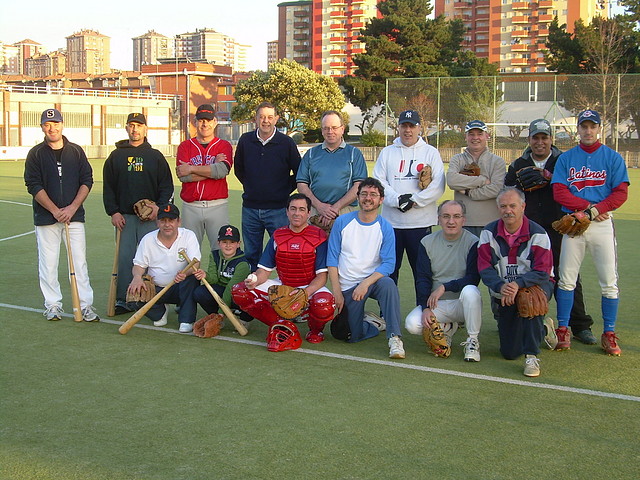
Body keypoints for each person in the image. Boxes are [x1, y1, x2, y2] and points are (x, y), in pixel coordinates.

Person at [505, 118, 593, 345]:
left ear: (551, 139)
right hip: (530, 231)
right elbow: (508, 191)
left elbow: (576, 187)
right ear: (530, 139)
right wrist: (517, 188)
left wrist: (550, 178)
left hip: (560, 228)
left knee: (569, 275)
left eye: (544, 137)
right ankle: (520, 319)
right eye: (536, 137)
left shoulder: (563, 160)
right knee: (527, 275)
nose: (540, 142)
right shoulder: (518, 164)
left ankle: (580, 325)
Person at [551, 109, 629, 355]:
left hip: (602, 225)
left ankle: (609, 332)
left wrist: (595, 212)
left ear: (598, 128)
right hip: (574, 222)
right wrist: (588, 209)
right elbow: (559, 192)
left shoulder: (612, 157)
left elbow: (620, 193)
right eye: (583, 126)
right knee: (566, 279)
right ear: (578, 129)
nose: (587, 130)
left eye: (592, 126)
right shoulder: (566, 158)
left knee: (609, 282)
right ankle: (563, 329)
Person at [232, 193, 335, 348]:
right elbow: (264, 271)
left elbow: (322, 277)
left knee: (324, 305)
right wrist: (254, 279)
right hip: (284, 285)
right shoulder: (278, 235)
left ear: (308, 213)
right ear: (286, 211)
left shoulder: (319, 236)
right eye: (293, 209)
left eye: (301, 209)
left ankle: (315, 329)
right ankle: (281, 324)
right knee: (240, 291)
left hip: (310, 287)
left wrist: (304, 294)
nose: (297, 213)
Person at [24, 108, 98, 322]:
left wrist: (72, 208)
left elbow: (87, 180)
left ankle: (85, 305)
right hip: (47, 218)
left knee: (79, 262)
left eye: (55, 123)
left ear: (62, 124)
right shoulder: (36, 153)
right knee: (48, 263)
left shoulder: (75, 151)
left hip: (74, 217)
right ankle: (53, 305)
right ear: (42, 128)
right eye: (47, 125)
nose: (51, 128)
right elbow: (33, 184)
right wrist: (55, 210)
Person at [478, 187, 554, 377]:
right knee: (510, 352)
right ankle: (543, 328)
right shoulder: (488, 232)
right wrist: (501, 286)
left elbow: (543, 271)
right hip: (504, 289)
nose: (508, 210)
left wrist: (517, 285)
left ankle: (532, 357)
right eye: (503, 206)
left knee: (529, 301)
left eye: (513, 205)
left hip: (534, 287)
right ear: (498, 208)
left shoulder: (538, 234)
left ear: (523, 207)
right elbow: (484, 267)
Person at [103, 112, 174, 315]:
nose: (135, 129)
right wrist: (114, 212)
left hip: (150, 218)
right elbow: (108, 187)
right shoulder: (116, 156)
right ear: (126, 128)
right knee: (125, 258)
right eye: (131, 125)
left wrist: (158, 209)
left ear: (145, 129)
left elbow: (166, 186)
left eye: (139, 125)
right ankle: (125, 298)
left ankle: (150, 296)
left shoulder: (155, 156)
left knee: (151, 257)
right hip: (124, 217)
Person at [327, 177, 406, 359]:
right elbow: (332, 258)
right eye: (364, 194)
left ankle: (394, 338)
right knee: (348, 335)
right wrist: (337, 292)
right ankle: (371, 323)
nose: (368, 198)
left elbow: (389, 263)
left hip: (372, 281)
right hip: (348, 285)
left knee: (388, 284)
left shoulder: (385, 227)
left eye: (373, 194)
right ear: (358, 197)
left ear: (381, 200)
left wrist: (366, 283)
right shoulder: (342, 222)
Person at [373, 110, 445, 301]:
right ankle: (385, 313)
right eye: (404, 126)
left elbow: (438, 185)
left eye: (412, 126)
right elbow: (378, 182)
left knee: (421, 273)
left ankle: (425, 312)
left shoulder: (430, 152)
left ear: (419, 128)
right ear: (398, 127)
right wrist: (397, 200)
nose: (407, 130)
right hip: (392, 225)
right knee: (389, 271)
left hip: (420, 224)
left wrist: (414, 201)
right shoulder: (387, 152)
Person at [405, 200, 482, 361]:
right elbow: (422, 278)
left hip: (462, 303)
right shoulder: (427, 242)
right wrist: (425, 307)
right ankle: (448, 326)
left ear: (463, 220)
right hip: (437, 304)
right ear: (438, 219)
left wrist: (444, 287)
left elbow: (473, 278)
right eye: (446, 216)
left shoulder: (473, 242)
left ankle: (472, 340)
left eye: (456, 216)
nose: (451, 221)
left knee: (471, 291)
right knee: (412, 324)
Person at [234, 102, 301, 270]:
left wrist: (282, 190)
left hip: (278, 210)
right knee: (251, 255)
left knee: (283, 252)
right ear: (255, 119)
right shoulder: (245, 140)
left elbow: (299, 173)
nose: (266, 121)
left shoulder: (286, 143)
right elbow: (239, 170)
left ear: (276, 119)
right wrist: (252, 186)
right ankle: (254, 293)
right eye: (262, 117)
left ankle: (284, 293)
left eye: (270, 117)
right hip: (250, 209)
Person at [128, 203, 201, 333]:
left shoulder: (188, 236)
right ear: (157, 223)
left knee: (192, 278)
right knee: (135, 293)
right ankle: (160, 311)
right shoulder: (148, 239)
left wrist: (185, 273)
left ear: (179, 221)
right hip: (156, 289)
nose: (167, 225)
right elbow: (139, 265)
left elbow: (195, 264)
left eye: (171, 220)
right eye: (163, 221)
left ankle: (186, 319)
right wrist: (137, 277)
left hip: (180, 287)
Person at [296, 110, 367, 229]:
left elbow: (359, 186)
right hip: (315, 211)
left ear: (342, 129)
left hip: (345, 211)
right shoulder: (311, 154)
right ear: (322, 130)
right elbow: (301, 184)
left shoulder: (354, 154)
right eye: (326, 128)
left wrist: (335, 208)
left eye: (334, 127)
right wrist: (320, 207)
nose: (330, 132)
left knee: (343, 247)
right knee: (315, 248)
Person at [176, 104, 233, 247]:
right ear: (195, 122)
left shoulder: (224, 145)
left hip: (217, 205)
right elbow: (184, 176)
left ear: (214, 122)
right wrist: (212, 168)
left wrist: (191, 168)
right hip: (191, 206)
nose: (204, 124)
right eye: (201, 120)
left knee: (221, 249)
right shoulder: (185, 146)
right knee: (188, 251)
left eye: (208, 120)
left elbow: (222, 171)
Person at [446, 120, 506, 237]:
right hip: (463, 223)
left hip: (491, 224)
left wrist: (468, 192)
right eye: (471, 134)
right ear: (466, 137)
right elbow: (452, 180)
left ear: (487, 136)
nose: (475, 138)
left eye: (479, 134)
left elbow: (496, 189)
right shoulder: (457, 159)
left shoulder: (497, 161)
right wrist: (482, 180)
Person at [193, 224, 252, 326]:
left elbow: (230, 289)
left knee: (246, 299)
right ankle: (215, 316)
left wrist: (222, 312)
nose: (228, 245)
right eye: (224, 242)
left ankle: (244, 318)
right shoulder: (214, 255)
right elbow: (214, 279)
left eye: (232, 242)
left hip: (237, 293)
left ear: (238, 244)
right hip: (221, 289)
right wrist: (205, 275)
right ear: (218, 243)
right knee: (200, 292)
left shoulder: (243, 263)